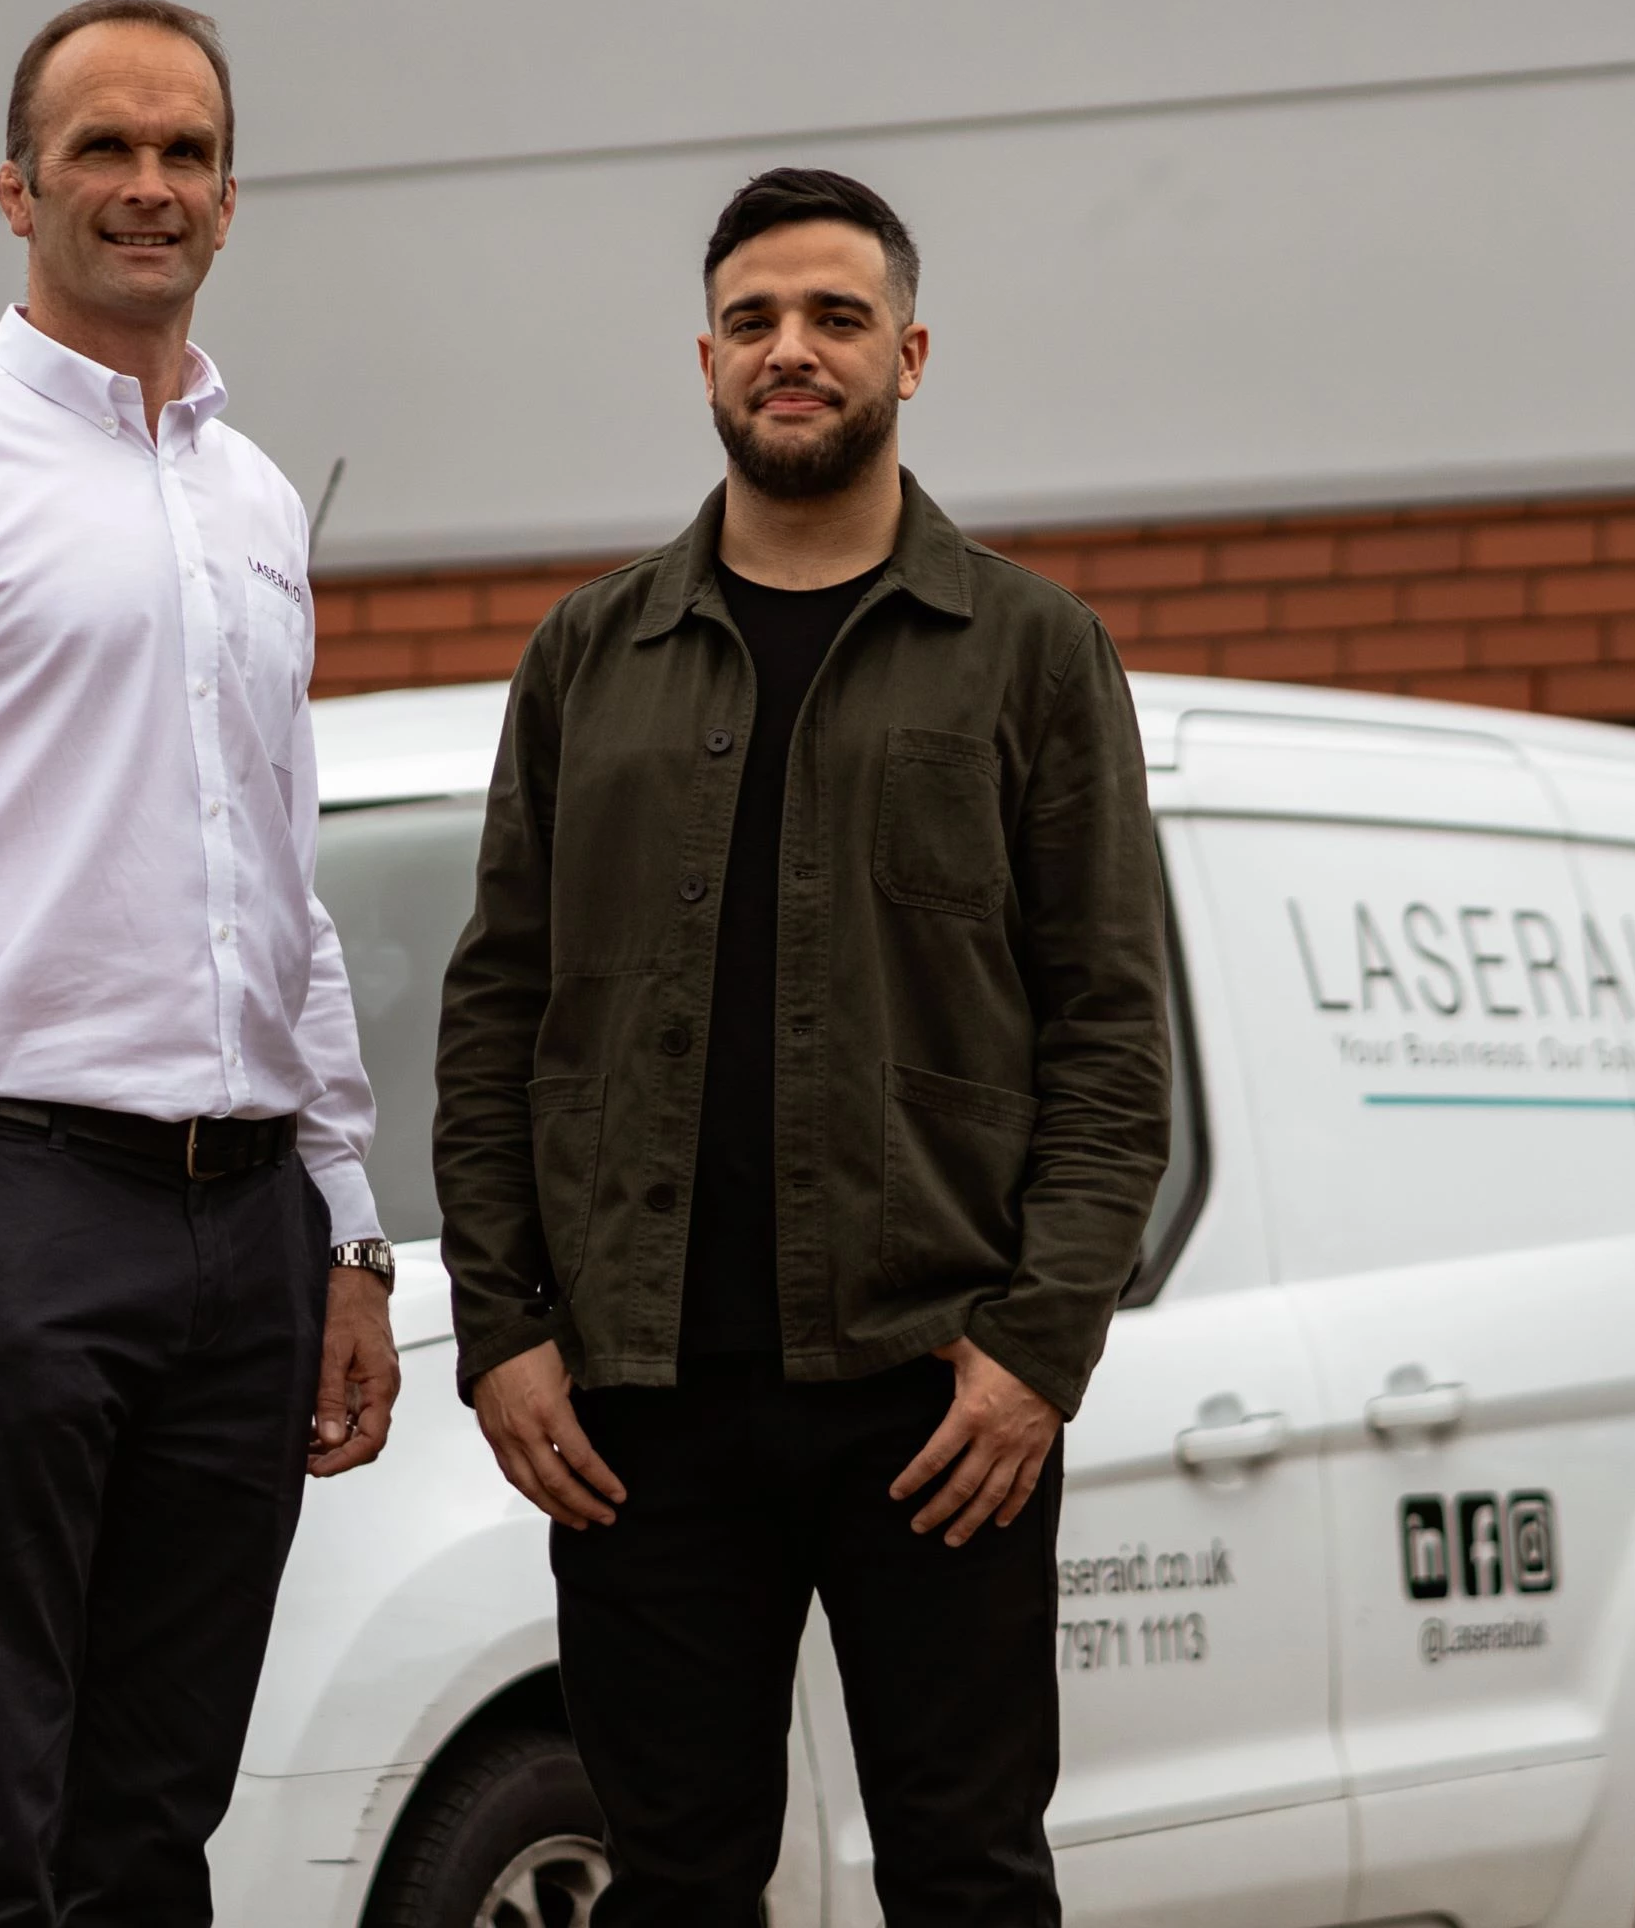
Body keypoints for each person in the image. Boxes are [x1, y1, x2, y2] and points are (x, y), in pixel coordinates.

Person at [432, 166, 1171, 1928]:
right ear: (704, 359)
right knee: (674, 1880)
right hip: (640, 1411)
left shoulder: (1032, 654)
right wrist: (506, 1332)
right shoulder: (588, 657)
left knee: (968, 1875)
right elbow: (496, 1010)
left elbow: (1112, 1037)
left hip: (938, 1398)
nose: (793, 350)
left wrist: (1035, 1354)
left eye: (836, 318)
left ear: (909, 352)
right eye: (756, 319)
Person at [0, 0, 402, 1928]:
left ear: (231, 197)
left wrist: (347, 1220)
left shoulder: (255, 497)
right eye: (104, 149)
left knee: (151, 1826)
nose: (147, 186)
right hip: (14, 1200)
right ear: (17, 187)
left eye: (185, 151)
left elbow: (278, 868)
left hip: (247, 1231)